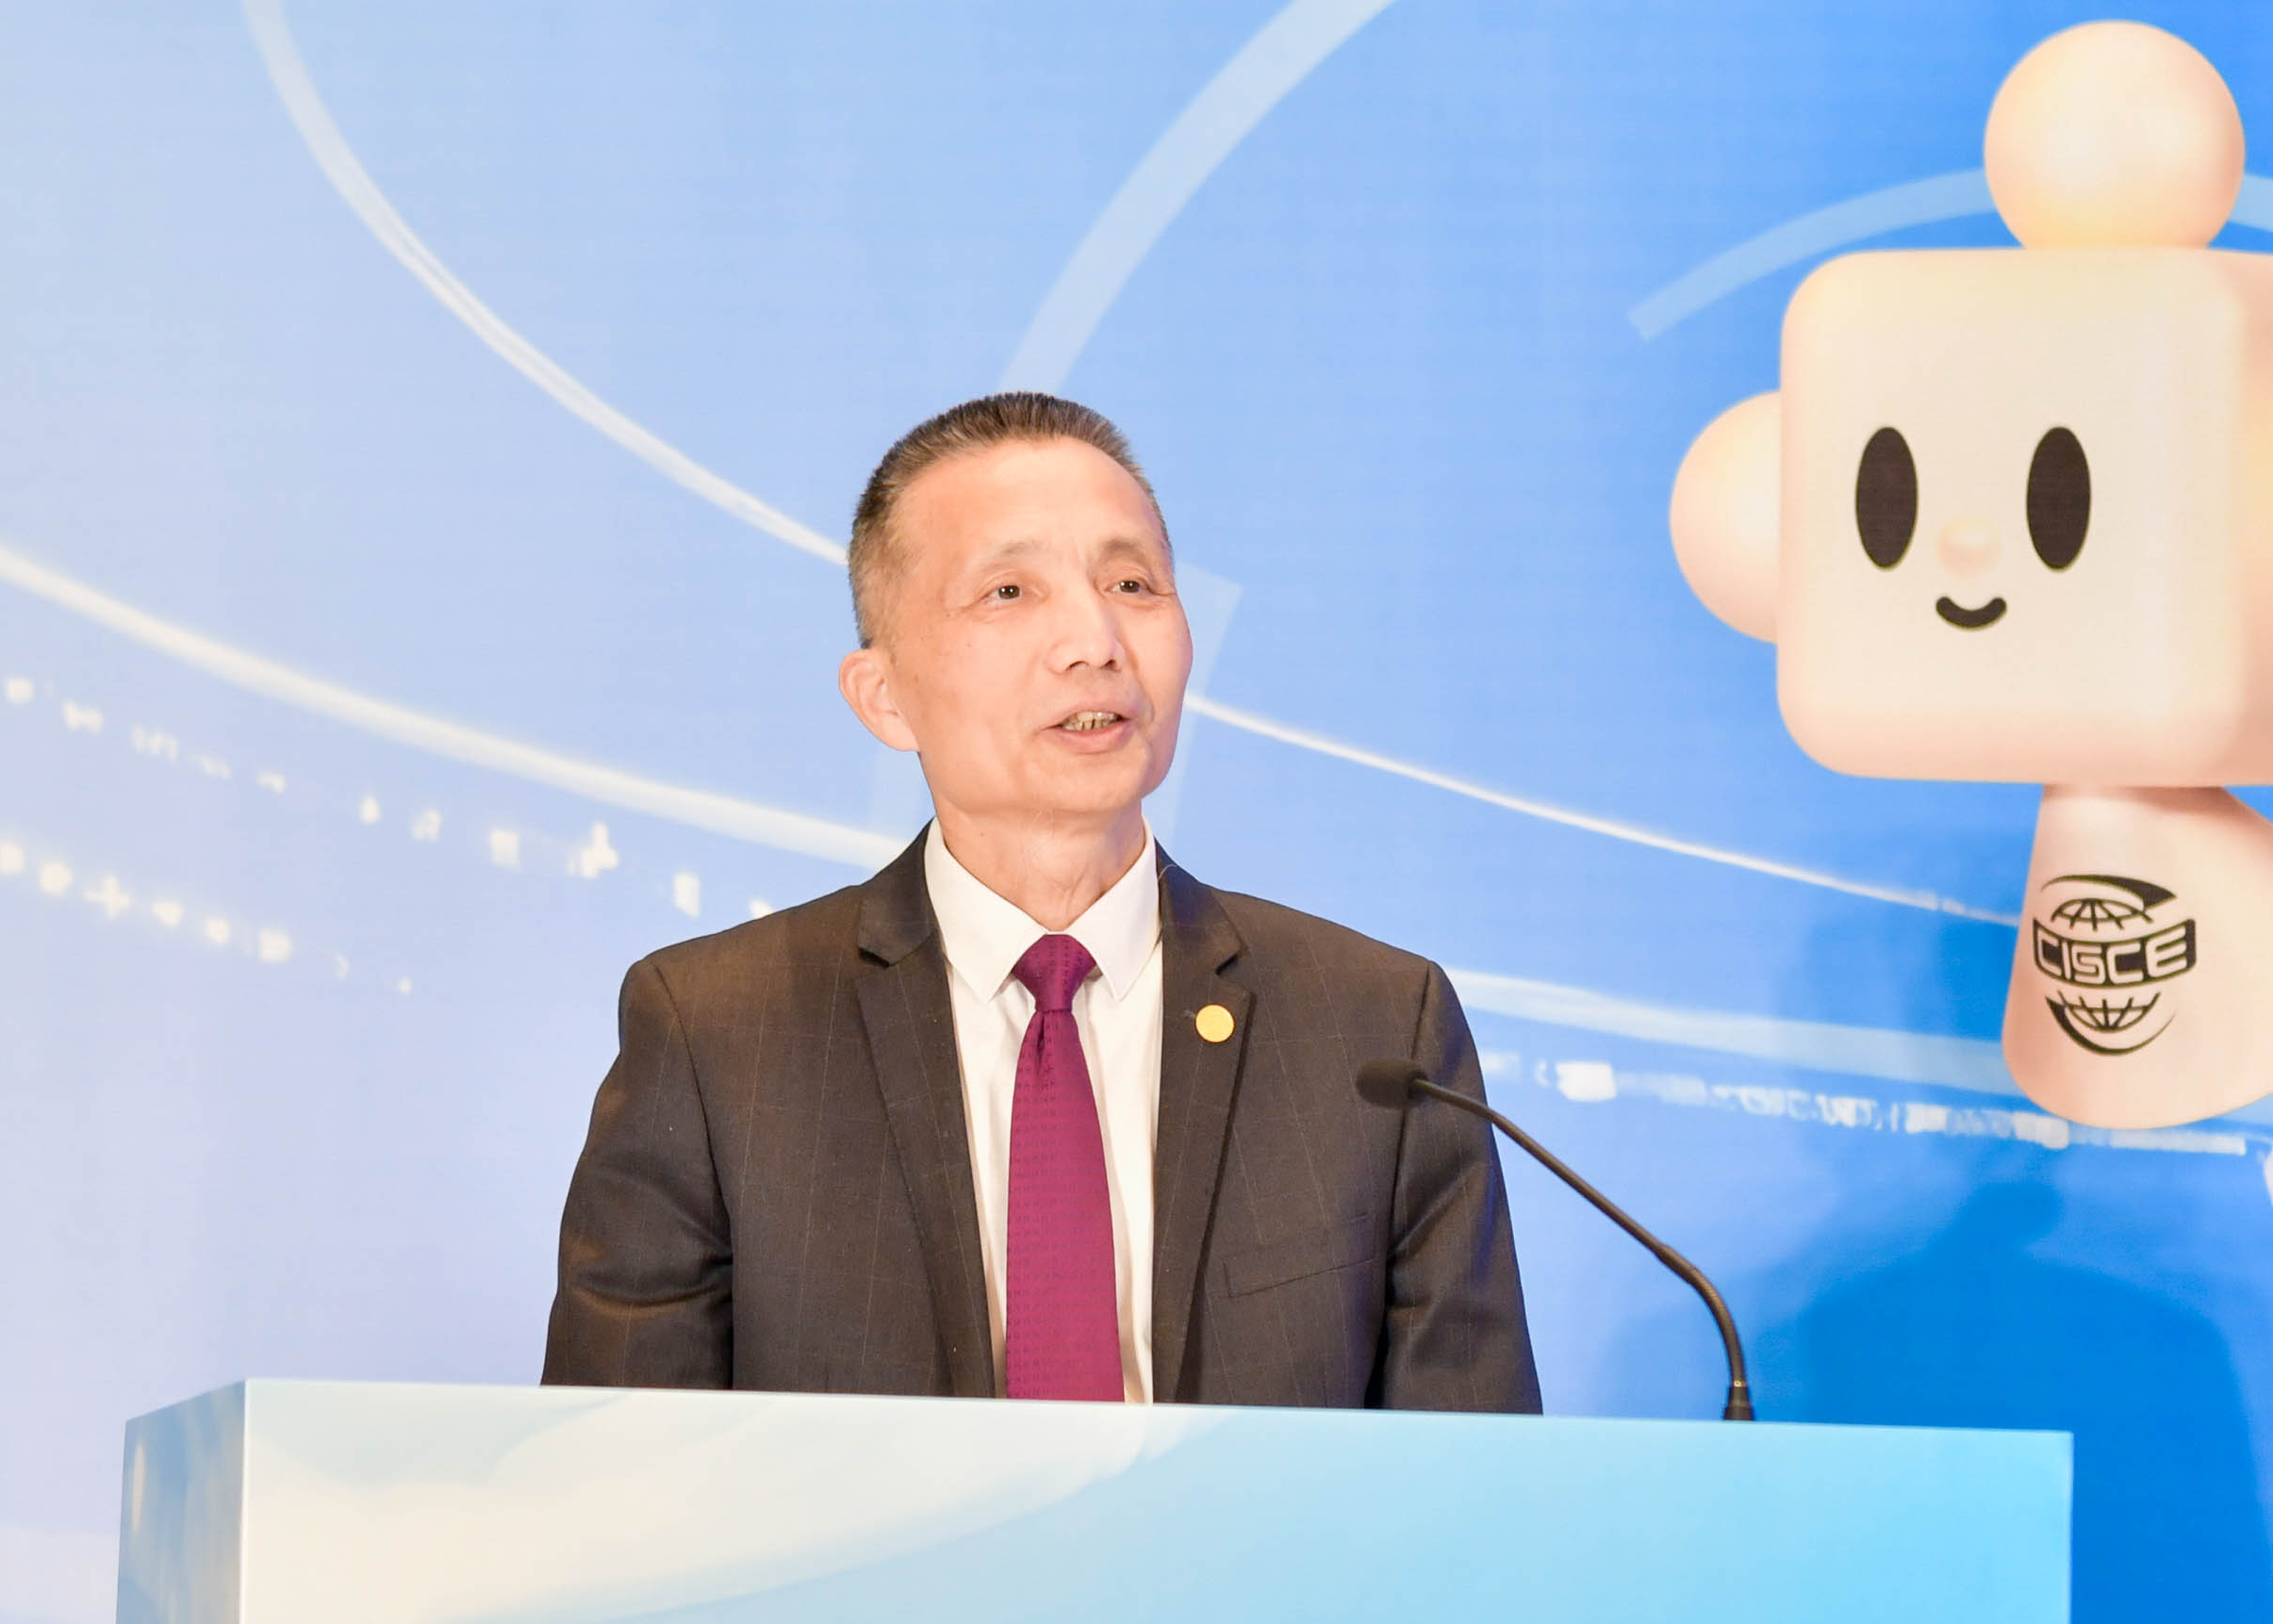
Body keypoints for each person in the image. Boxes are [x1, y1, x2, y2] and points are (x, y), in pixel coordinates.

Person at [541, 392, 1539, 1410]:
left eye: (1132, 584)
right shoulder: (718, 1036)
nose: (1094, 640)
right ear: (885, 695)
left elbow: (1475, 1479)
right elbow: (621, 1475)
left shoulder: (1373, 1029)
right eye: (1010, 590)